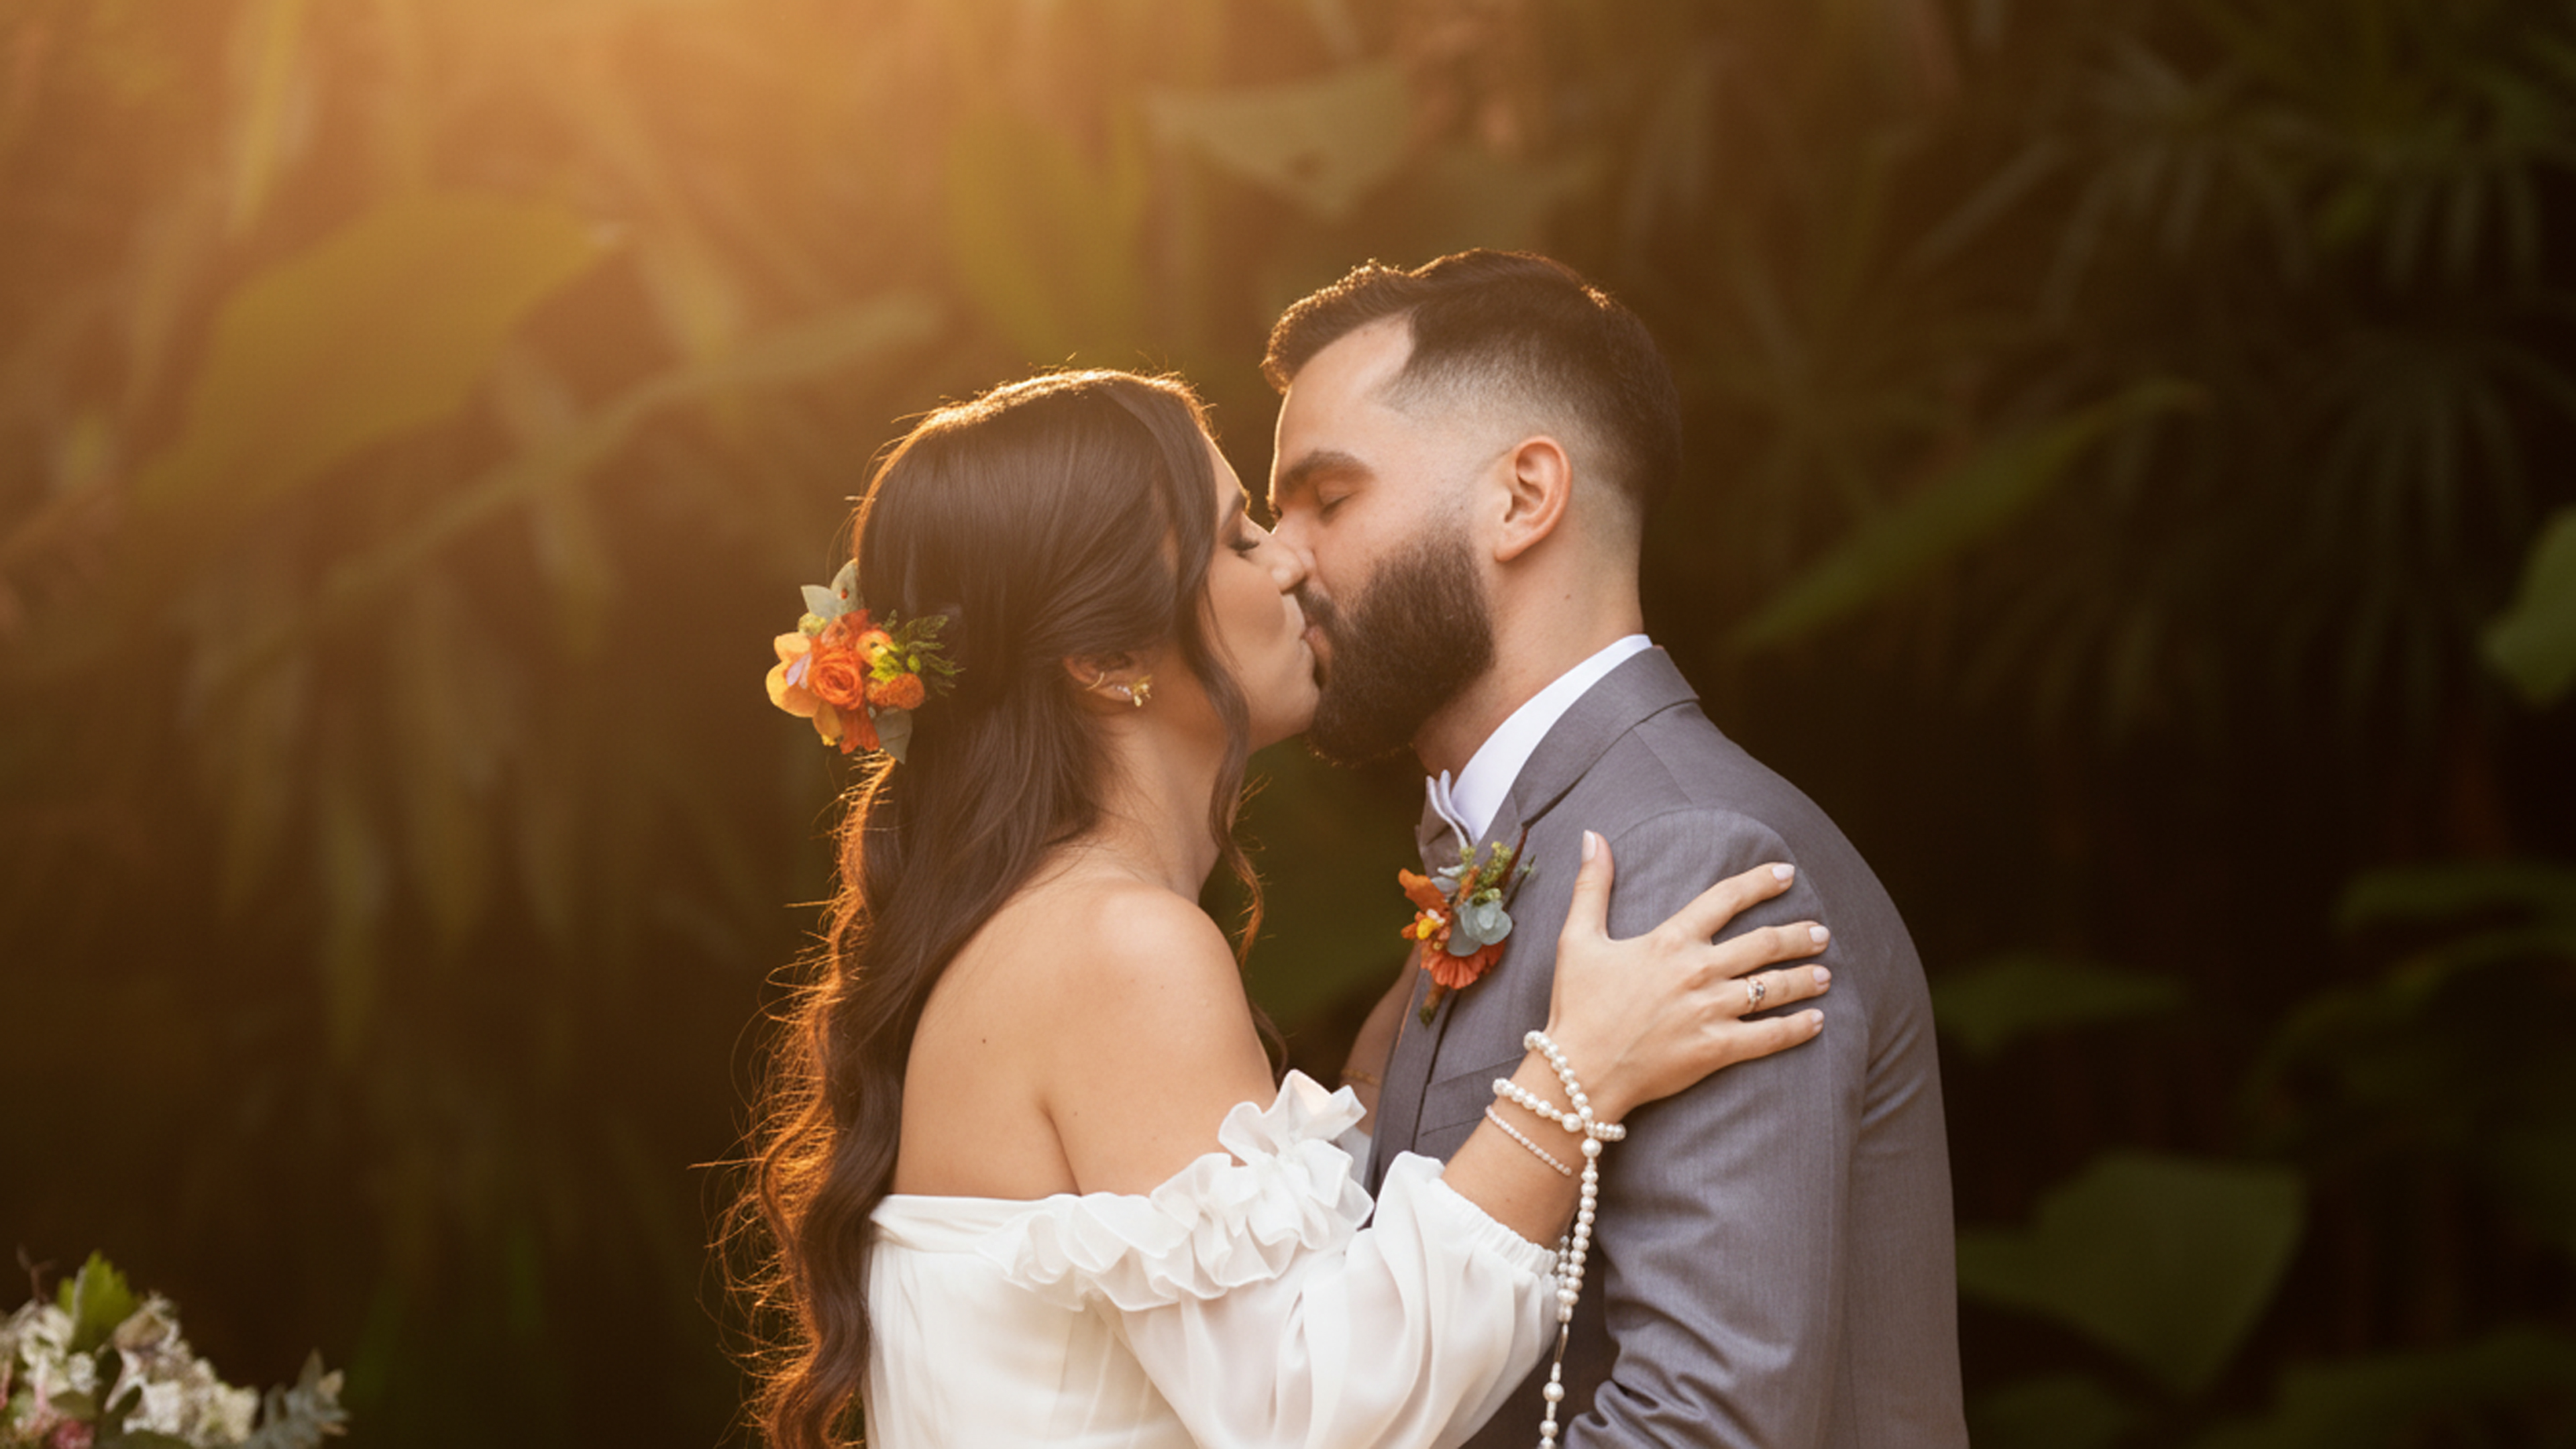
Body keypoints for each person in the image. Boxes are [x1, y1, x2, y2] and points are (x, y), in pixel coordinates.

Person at [736, 369, 1836, 1449]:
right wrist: (1573, 1082)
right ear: (1106, 657)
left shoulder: (1044, 929)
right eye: (1240, 538)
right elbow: (1303, 1418)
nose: (1292, 561)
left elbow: (1248, 1296)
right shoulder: (1119, 948)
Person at [1263, 250, 1969, 1448]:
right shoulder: (1527, 837)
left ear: (1525, 497)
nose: (1282, 559)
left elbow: (1709, 1426)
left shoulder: (1687, 854)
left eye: (1327, 501)